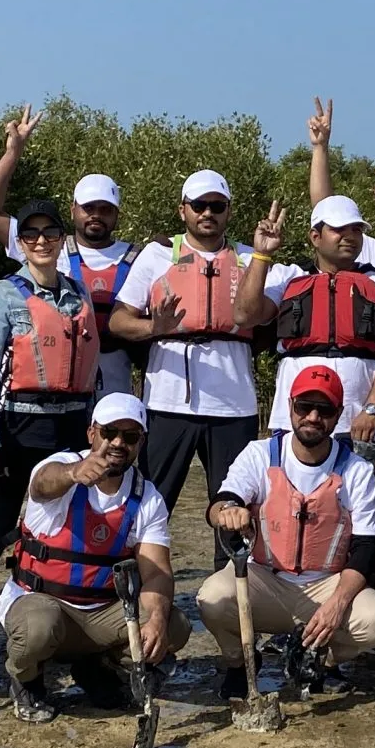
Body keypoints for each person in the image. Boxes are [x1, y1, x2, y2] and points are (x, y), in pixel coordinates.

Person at [200, 365, 375, 695]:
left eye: (325, 409)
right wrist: (227, 512)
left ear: (338, 416)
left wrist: (335, 605)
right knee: (211, 598)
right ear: (290, 407)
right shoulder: (259, 454)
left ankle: (323, 660)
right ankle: (241, 663)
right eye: (305, 407)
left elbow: (366, 550)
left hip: (325, 584)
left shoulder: (358, 470)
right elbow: (221, 502)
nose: (313, 417)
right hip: (265, 579)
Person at [0, 392, 190, 722]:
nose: (118, 443)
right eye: (109, 432)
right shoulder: (59, 468)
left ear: (140, 442)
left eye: (130, 437)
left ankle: (100, 668)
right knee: (37, 628)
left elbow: (157, 572)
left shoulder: (147, 498)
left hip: (102, 613)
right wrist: (74, 473)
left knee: (173, 625)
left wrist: (156, 619)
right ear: (92, 434)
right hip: (42, 601)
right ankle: (26, 680)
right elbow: (42, 486)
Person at [0, 196, 102, 621]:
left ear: (63, 240)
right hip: (22, 427)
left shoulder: (79, 293)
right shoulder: (3, 295)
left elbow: (91, 368)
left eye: (50, 233)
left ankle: (72, 617)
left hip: (74, 426)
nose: (41, 241)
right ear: (20, 243)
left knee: (68, 527)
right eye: (31, 234)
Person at [112, 169, 266, 514]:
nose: (207, 212)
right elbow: (118, 321)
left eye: (216, 205)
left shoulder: (251, 258)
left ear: (228, 210)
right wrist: (156, 327)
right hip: (168, 401)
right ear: (183, 210)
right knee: (151, 502)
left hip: (234, 404)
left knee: (234, 506)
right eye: (199, 205)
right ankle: (138, 568)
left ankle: (232, 569)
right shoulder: (156, 255)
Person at [0, 107, 139, 398]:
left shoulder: (141, 258)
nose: (96, 215)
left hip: (116, 391)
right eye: (89, 208)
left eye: (105, 209)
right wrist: (13, 154)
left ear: (117, 214)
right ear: (74, 209)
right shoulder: (47, 245)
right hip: (60, 391)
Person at [233, 195, 375, 448]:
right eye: (339, 229)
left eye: (356, 229)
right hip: (294, 420)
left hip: (360, 423)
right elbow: (245, 315)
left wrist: (373, 409)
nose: (350, 236)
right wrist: (262, 255)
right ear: (315, 237)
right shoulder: (289, 276)